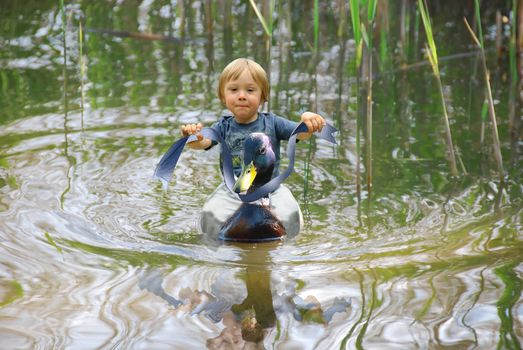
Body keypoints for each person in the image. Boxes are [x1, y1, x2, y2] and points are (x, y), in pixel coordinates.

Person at [181, 58, 326, 237]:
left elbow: (301, 134)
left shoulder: (273, 123)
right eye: (234, 90)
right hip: (232, 191)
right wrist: (194, 138)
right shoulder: (222, 127)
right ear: (222, 96)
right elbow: (203, 143)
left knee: (291, 220)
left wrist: (307, 122)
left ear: (263, 96)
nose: (242, 95)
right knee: (210, 221)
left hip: (271, 189)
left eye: (250, 90)